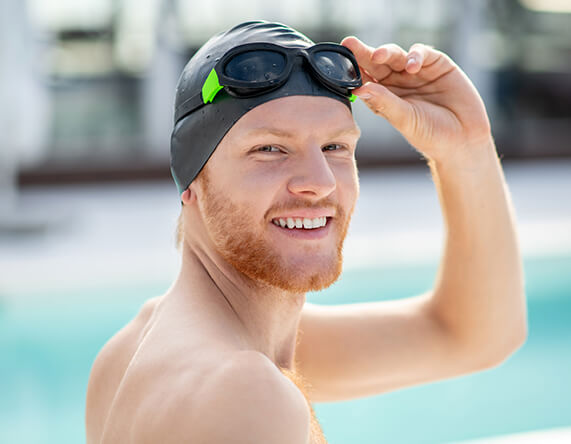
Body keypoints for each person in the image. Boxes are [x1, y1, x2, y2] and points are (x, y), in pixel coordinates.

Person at [85, 21, 527, 444]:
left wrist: (465, 150)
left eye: (335, 147)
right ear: (192, 180)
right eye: (270, 149)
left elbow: (470, 335)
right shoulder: (243, 391)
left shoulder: (138, 350)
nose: (320, 181)